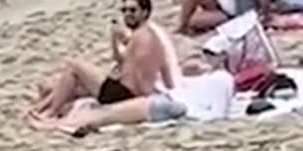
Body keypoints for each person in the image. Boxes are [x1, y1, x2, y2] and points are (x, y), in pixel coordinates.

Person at [28, 40, 233, 136]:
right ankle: (49, 114)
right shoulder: (210, 83)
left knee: (105, 113)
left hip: (161, 102)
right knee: (103, 113)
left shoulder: (215, 79)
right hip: (171, 104)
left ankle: (52, 120)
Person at [28, 0, 176, 120]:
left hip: (122, 94)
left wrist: (140, 94)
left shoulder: (138, 37)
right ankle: (41, 107)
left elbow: (132, 71)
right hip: (126, 92)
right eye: (124, 10)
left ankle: (50, 112)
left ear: (144, 13)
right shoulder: (154, 39)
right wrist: (115, 39)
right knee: (63, 85)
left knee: (73, 65)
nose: (127, 14)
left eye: (133, 10)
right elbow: (167, 79)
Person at [177, 0, 264, 35]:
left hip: (233, 13)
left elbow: (262, 7)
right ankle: (182, 26)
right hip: (228, 6)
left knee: (195, 21)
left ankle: (184, 26)